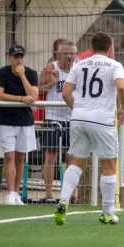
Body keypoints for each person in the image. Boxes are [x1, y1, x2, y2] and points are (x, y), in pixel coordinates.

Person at [54, 32, 124, 225]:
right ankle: (108, 212)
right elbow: (121, 88)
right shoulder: (115, 65)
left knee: (76, 163)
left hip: (79, 118)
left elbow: (66, 93)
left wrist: (78, 109)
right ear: (109, 48)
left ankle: (63, 200)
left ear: (92, 48)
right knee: (109, 166)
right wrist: (123, 108)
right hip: (102, 120)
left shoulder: (79, 65)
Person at [0, 45, 39, 205]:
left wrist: (22, 76)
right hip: (6, 120)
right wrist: (20, 99)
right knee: (9, 156)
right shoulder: (2, 72)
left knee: (21, 157)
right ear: (9, 58)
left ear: (25, 57)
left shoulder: (32, 73)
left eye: (21, 56)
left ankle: (16, 193)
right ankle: (11, 192)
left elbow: (34, 95)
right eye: (15, 56)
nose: (19, 59)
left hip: (25, 121)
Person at [38, 40, 78, 203]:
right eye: (65, 53)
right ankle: (48, 194)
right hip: (53, 117)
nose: (69, 57)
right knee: (51, 156)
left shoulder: (79, 68)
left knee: (72, 157)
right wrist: (51, 83)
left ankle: (71, 193)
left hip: (73, 117)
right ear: (58, 54)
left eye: (71, 53)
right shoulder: (50, 69)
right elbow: (36, 90)